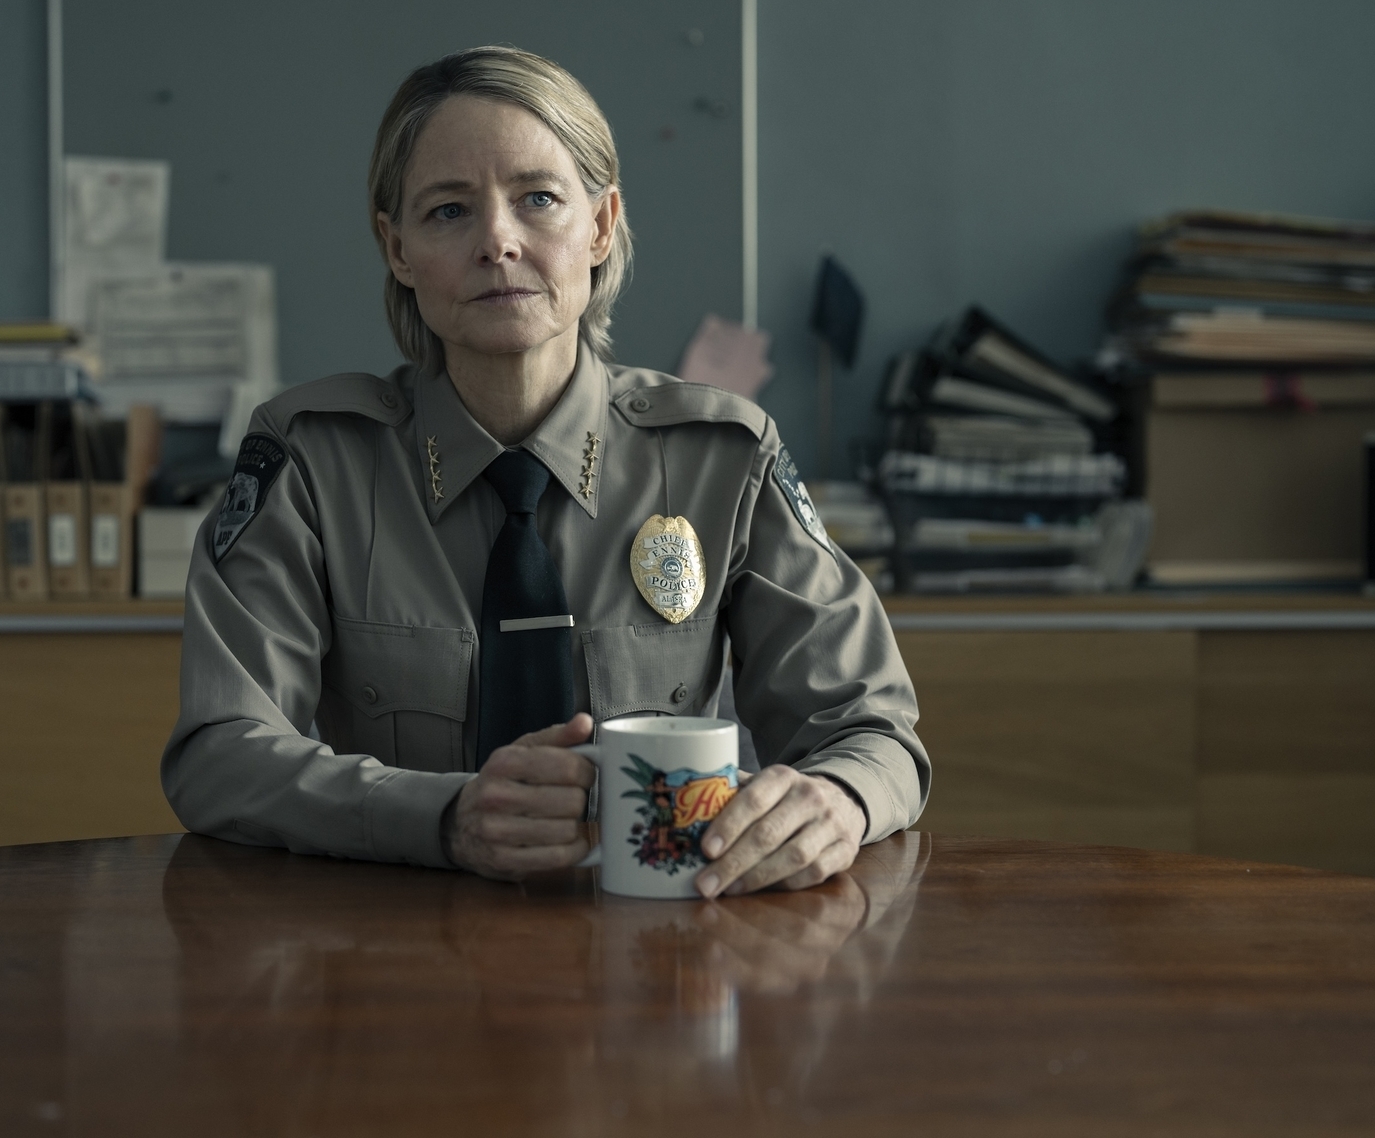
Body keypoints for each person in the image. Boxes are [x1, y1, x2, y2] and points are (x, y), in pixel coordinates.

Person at [165, 46, 927, 899]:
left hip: (664, 969)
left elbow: (873, 731)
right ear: (398, 248)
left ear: (601, 226)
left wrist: (840, 802)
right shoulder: (313, 462)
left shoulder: (723, 459)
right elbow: (218, 754)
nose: (498, 241)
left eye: (538, 199)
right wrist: (444, 819)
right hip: (393, 967)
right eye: (449, 211)